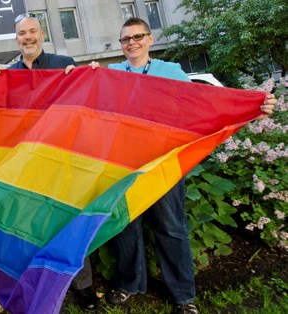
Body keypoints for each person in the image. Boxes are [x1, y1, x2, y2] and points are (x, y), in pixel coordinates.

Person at [93, 17, 276, 314]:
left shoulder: (171, 71)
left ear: (150, 39)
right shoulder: (113, 73)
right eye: (125, 39)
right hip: (125, 166)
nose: (132, 43)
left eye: (138, 37)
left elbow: (205, 105)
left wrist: (255, 107)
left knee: (171, 227)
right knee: (126, 226)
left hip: (165, 164)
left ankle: (183, 296)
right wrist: (78, 74)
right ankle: (129, 285)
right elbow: (89, 98)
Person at [8, 12, 97, 311]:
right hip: (28, 165)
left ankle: (83, 287)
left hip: (63, 160)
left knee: (69, 222)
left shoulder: (63, 64)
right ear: (16, 38)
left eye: (33, 31)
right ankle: (37, 284)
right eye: (22, 33)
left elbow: (88, 97)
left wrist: (92, 73)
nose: (28, 37)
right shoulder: (10, 73)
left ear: (41, 34)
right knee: (31, 226)